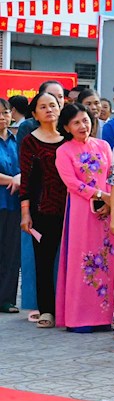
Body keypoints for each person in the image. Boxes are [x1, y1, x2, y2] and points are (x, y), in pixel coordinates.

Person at [53, 103, 114, 332]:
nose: (83, 126)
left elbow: (112, 176)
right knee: (82, 261)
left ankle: (105, 316)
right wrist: (101, 195)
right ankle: (79, 318)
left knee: (108, 260)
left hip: (107, 211)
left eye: (85, 120)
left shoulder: (103, 145)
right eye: (76, 122)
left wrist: (110, 202)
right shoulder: (64, 151)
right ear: (66, 127)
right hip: (81, 212)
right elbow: (72, 183)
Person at [18, 91, 66, 329]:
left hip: (72, 208)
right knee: (44, 261)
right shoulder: (30, 141)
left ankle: (69, 308)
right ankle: (46, 309)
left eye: (53, 105)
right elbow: (26, 180)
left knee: (70, 259)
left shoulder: (69, 138)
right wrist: (25, 213)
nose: (49, 110)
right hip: (42, 209)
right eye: (43, 107)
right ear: (35, 114)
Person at [0, 99, 21, 313]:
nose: (2, 117)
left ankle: (7, 299)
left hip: (14, 204)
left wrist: (20, 178)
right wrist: (14, 180)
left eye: (5, 112)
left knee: (11, 252)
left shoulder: (17, 140)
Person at [16, 80, 64, 148]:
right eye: (50, 95)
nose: (56, 100)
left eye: (60, 96)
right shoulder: (27, 127)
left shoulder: (69, 124)